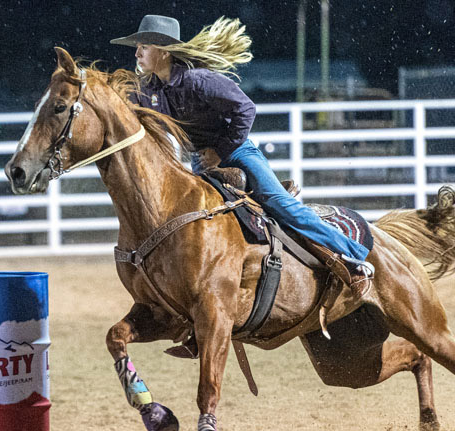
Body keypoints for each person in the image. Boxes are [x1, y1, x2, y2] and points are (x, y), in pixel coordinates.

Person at [110, 15, 374, 290]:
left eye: (144, 47)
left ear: (163, 51)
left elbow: (246, 109)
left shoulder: (199, 80)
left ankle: (354, 254)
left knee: (280, 204)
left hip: (236, 151)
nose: (137, 53)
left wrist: (220, 151)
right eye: (138, 47)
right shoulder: (148, 91)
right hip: (201, 160)